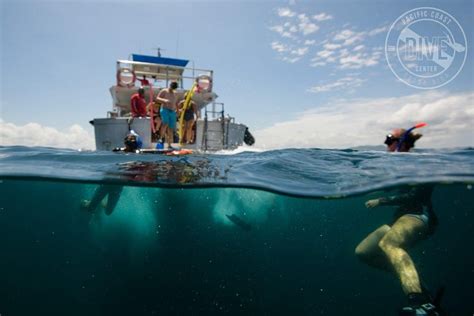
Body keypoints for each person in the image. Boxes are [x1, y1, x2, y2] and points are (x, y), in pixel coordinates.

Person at [355, 125, 444, 316]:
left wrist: (381, 201)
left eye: (389, 141)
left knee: (389, 244)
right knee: (363, 252)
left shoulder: (423, 164)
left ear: (401, 143)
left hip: (419, 216)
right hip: (400, 219)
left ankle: (420, 302)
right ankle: (415, 282)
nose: (386, 145)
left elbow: (414, 196)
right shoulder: (397, 166)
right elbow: (387, 186)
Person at [156, 81, 179, 148]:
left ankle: (169, 144)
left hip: (172, 111)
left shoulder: (176, 93)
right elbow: (157, 98)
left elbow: (176, 102)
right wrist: (164, 100)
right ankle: (161, 138)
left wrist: (177, 110)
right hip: (165, 109)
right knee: (165, 123)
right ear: (170, 85)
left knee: (171, 128)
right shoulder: (164, 91)